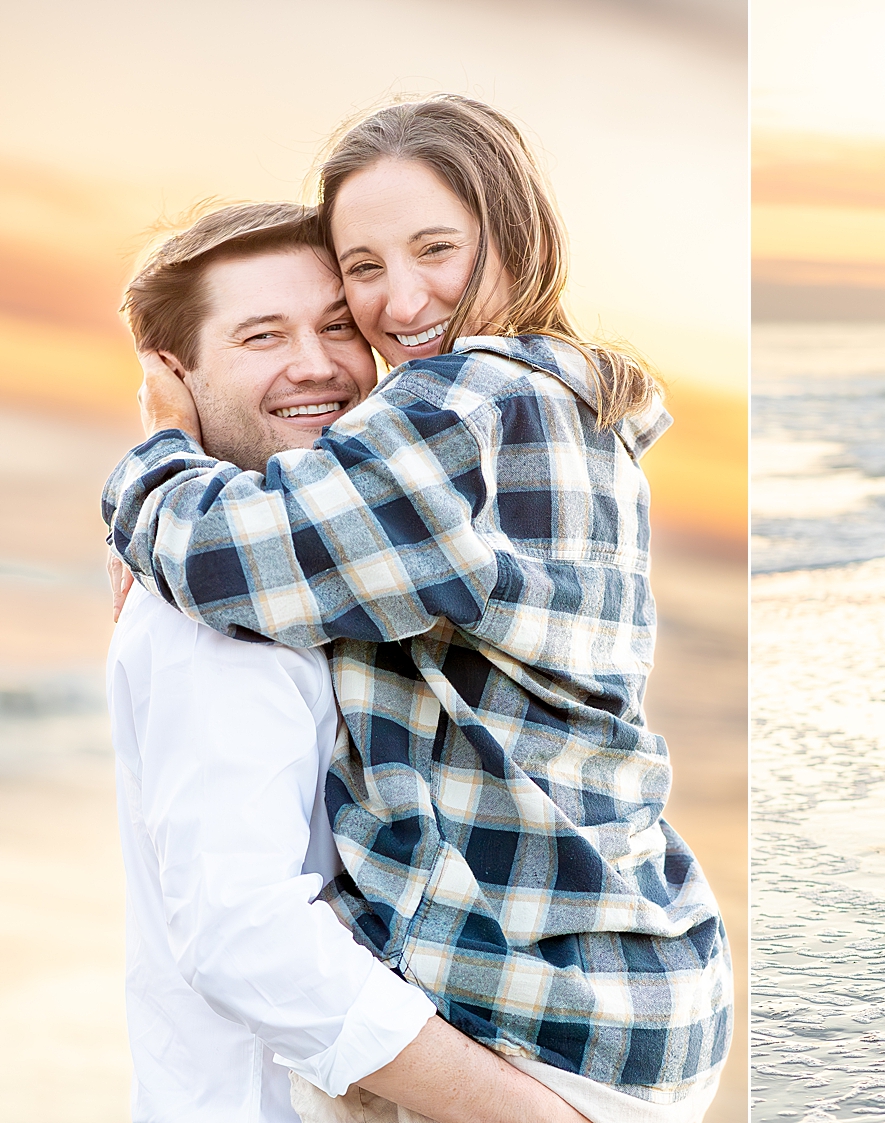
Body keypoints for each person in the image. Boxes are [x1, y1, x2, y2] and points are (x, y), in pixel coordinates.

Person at [105, 97, 732, 1121]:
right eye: (363, 274)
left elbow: (220, 550)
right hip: (630, 987)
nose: (399, 302)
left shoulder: (461, 409)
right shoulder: (571, 410)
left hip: (543, 1018)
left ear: (515, 231)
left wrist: (156, 459)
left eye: (436, 248)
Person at [107, 200, 587, 1121]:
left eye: (336, 325)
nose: (319, 364)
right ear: (174, 375)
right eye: (261, 336)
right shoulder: (218, 607)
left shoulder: (324, 566)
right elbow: (247, 936)